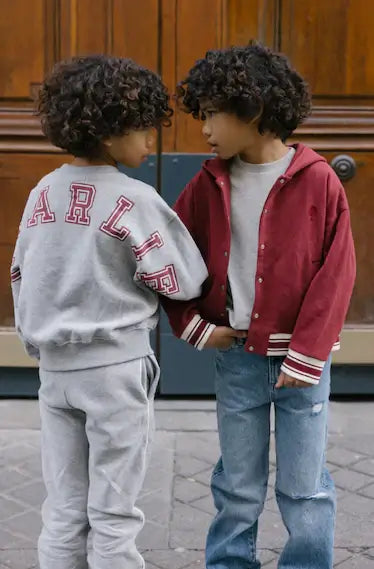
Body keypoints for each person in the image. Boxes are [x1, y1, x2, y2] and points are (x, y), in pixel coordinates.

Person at [162, 42, 356, 569]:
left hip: (304, 365)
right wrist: (197, 327)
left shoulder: (317, 180)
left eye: (211, 115)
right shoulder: (206, 185)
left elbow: (336, 274)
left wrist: (307, 353)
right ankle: (228, 563)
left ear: (254, 110)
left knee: (305, 484)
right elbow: (170, 263)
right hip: (239, 360)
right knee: (238, 482)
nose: (203, 129)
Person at [10, 55, 208, 569]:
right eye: (144, 129)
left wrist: (38, 345)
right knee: (114, 513)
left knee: (64, 507)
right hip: (116, 371)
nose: (151, 141)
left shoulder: (41, 195)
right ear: (111, 130)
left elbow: (22, 276)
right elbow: (183, 277)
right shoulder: (134, 199)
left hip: (54, 372)